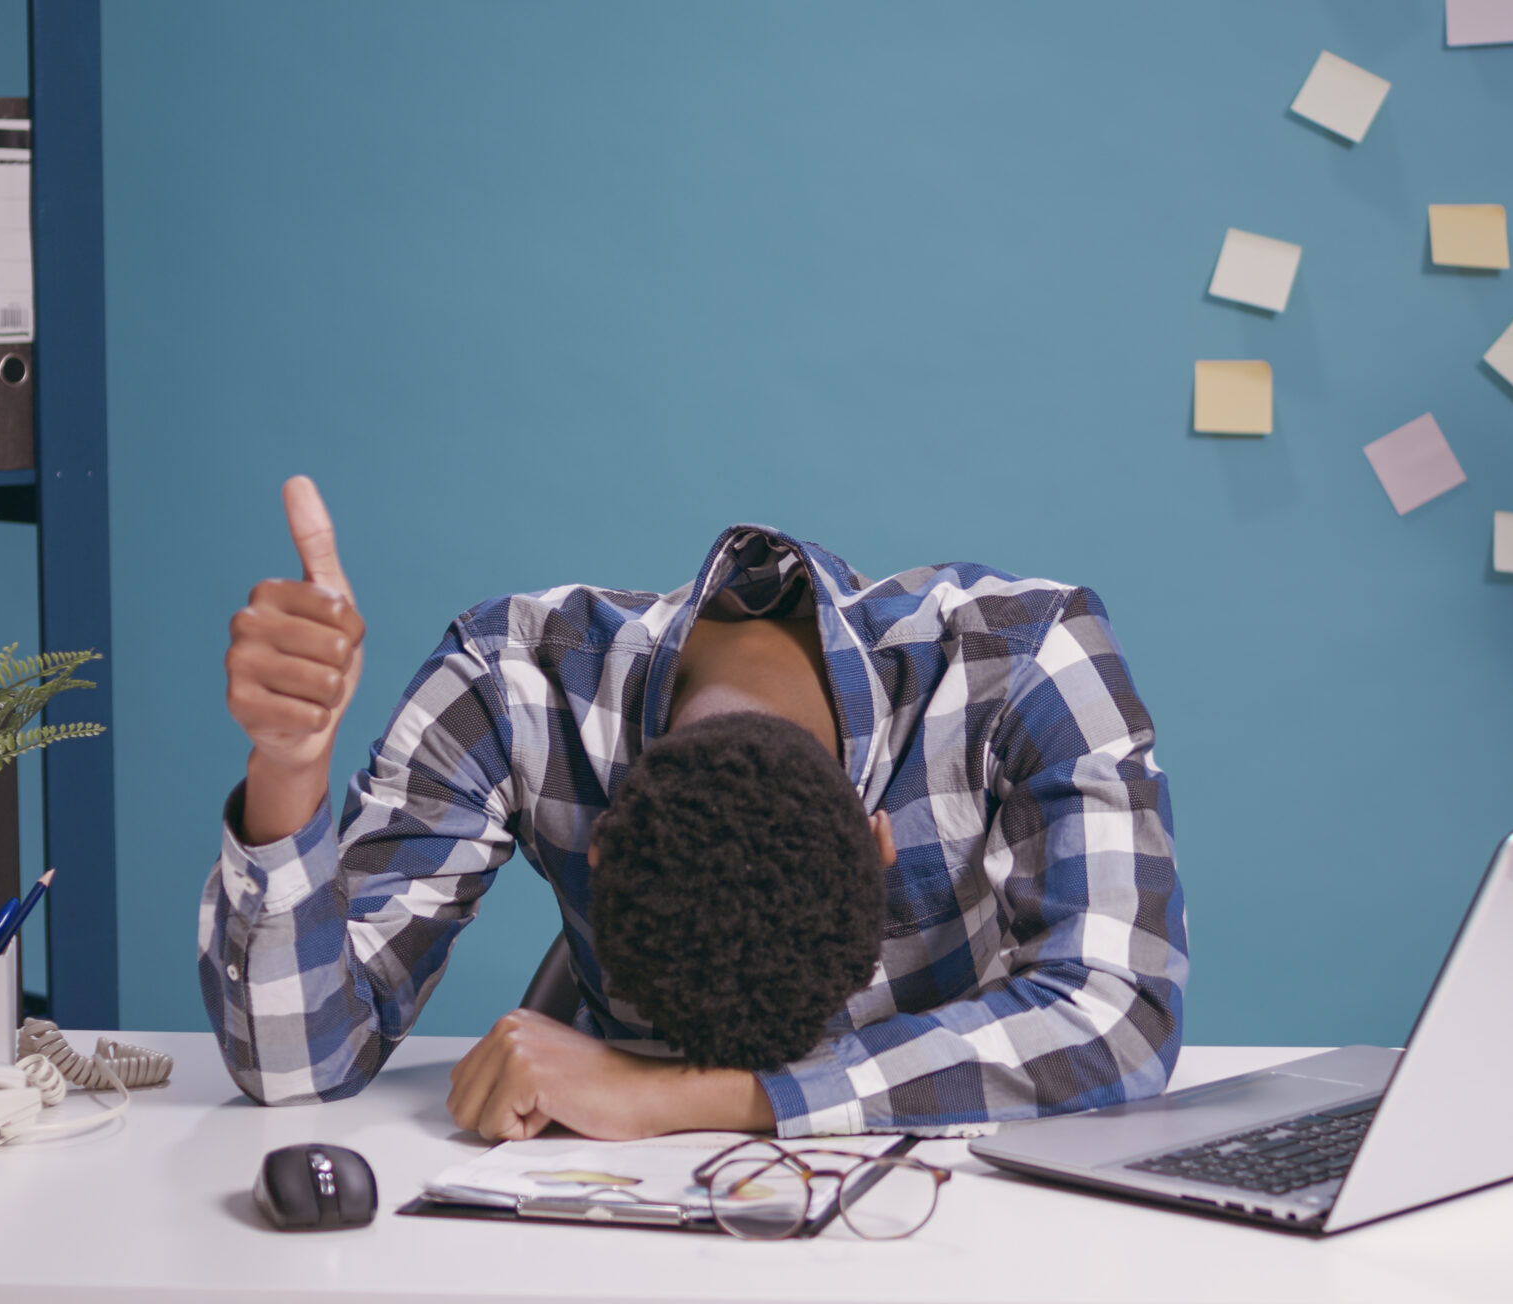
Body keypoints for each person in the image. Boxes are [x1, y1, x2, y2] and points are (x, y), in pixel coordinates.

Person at [200, 477, 1187, 1140]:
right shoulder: (508, 684)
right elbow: (295, 1069)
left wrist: (674, 1095)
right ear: (600, 837)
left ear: (874, 835)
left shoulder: (1025, 663)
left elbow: (1119, 1018)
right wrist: (288, 769)